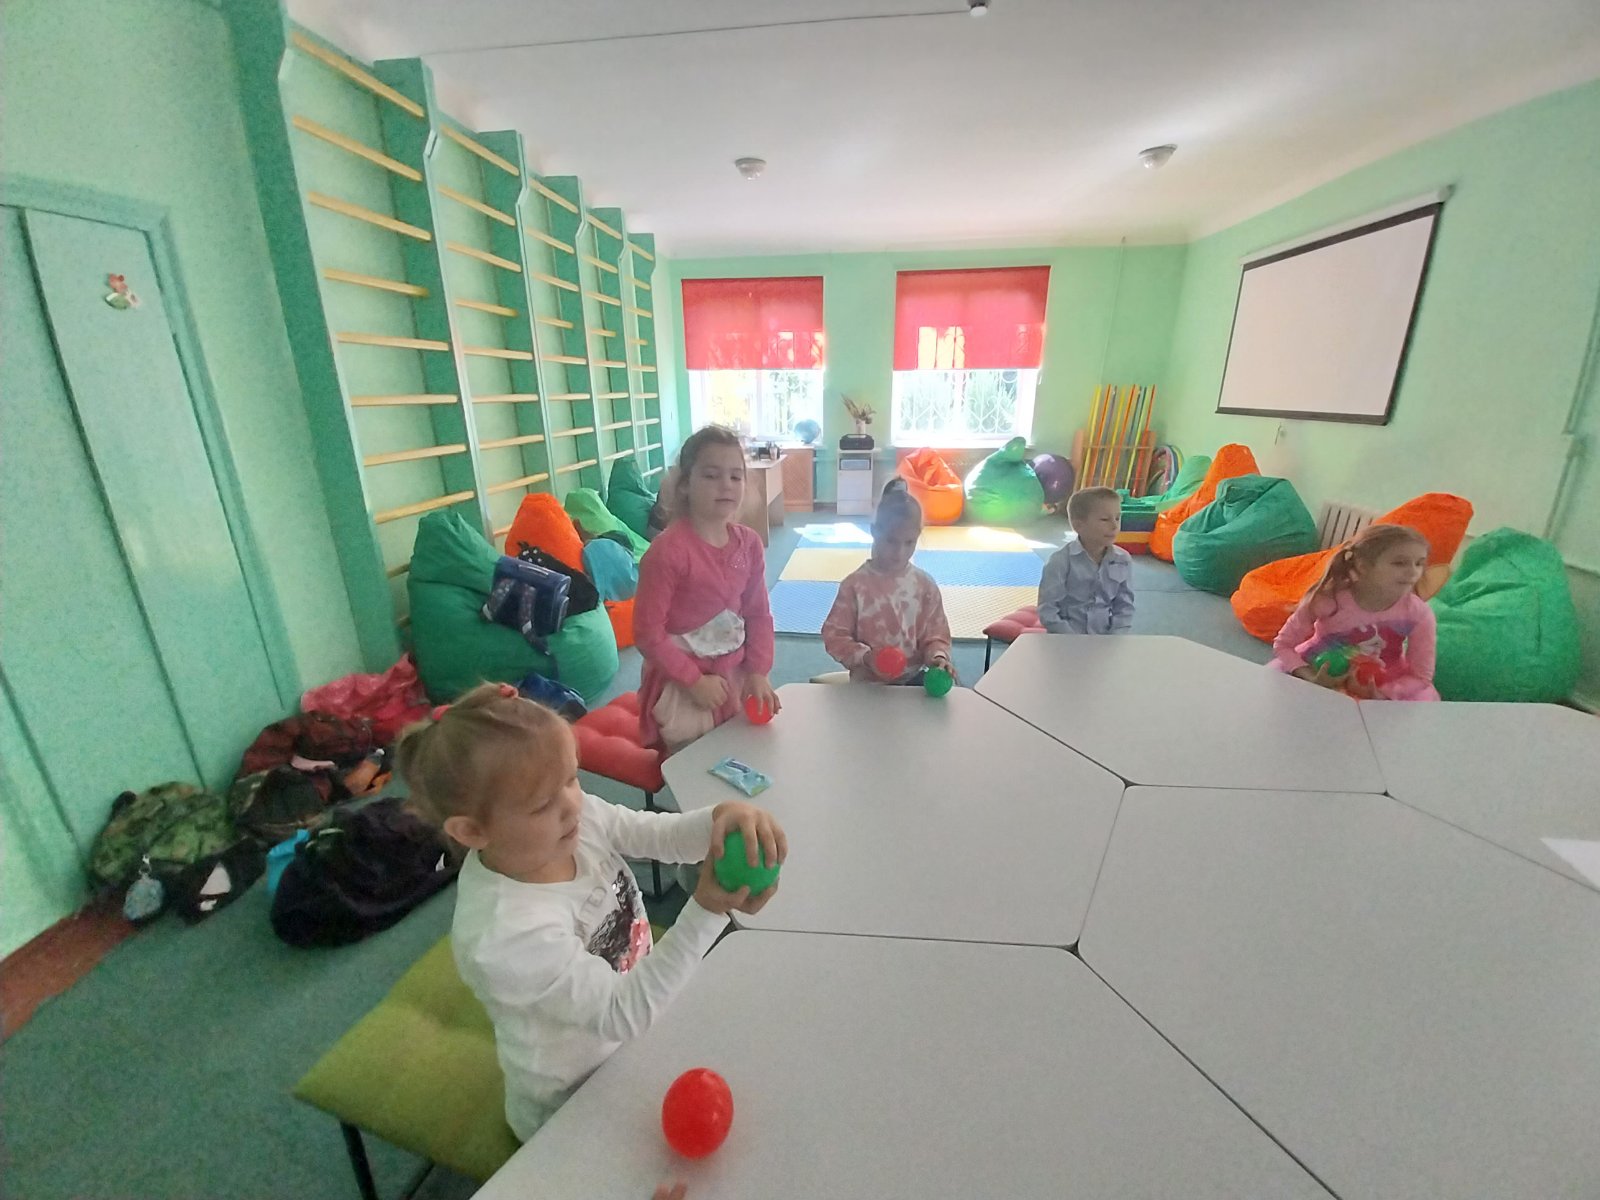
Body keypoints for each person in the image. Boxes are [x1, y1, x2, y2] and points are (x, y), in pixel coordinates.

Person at [397, 683, 786, 1141]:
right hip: (573, 1100)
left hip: (636, 1027)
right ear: (472, 831)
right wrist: (708, 910)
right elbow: (624, 1012)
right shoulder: (505, 935)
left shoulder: (570, 820)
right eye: (543, 803)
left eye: (572, 778)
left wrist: (719, 819)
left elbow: (658, 836)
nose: (571, 805)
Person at [634, 427, 780, 750]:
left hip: (734, 675)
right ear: (685, 484)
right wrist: (693, 681)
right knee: (690, 763)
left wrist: (758, 671)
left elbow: (758, 614)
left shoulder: (749, 544)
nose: (726, 485)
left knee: (744, 753)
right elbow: (647, 633)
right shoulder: (667, 552)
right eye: (712, 475)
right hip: (683, 683)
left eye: (736, 476)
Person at [1269, 523, 1438, 700]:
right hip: (1319, 669)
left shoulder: (1419, 613)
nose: (1413, 572)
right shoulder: (1329, 599)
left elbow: (1421, 676)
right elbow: (1283, 645)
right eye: (1399, 563)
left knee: (1420, 701)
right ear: (1363, 566)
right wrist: (1310, 677)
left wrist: (1382, 694)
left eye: (1419, 563)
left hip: (1383, 682)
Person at [820, 480, 956, 684]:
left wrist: (938, 658)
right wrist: (866, 656)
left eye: (909, 542)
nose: (900, 552)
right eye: (891, 541)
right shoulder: (855, 585)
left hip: (913, 680)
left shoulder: (925, 586)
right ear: (874, 532)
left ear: (918, 536)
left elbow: (936, 636)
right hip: (868, 682)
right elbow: (834, 635)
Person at [1037, 486, 1135, 634]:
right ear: (1078, 525)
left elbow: (1125, 606)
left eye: (1117, 518)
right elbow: (1048, 610)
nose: (1114, 526)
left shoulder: (1123, 559)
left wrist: (1116, 635)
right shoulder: (1060, 561)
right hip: (1066, 637)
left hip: (1105, 637)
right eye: (1104, 519)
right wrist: (1073, 639)